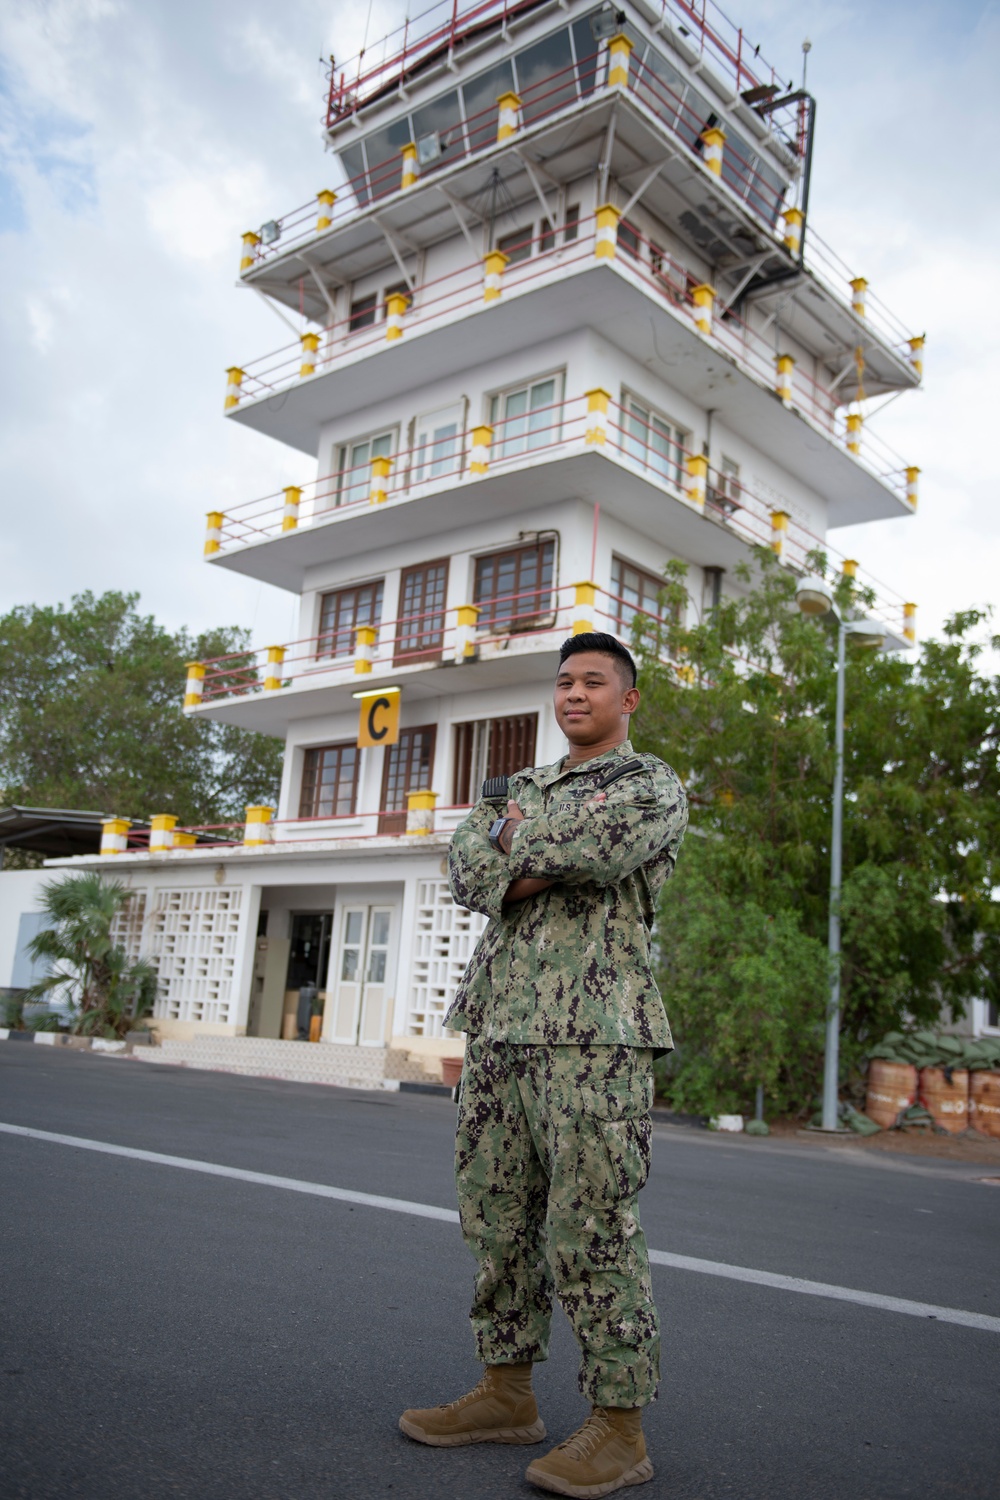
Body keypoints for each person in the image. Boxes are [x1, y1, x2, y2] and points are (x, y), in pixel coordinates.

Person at [399, 632, 688, 1497]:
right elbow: (466, 869)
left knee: (591, 1227)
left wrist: (519, 850)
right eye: (563, 682)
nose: (574, 694)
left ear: (627, 699)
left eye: (593, 682)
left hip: (597, 1034)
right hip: (501, 1029)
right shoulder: (517, 789)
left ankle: (620, 1428)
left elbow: (593, 852)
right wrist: (526, 847)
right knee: (497, 1221)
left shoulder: (650, 785)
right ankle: (506, 1393)